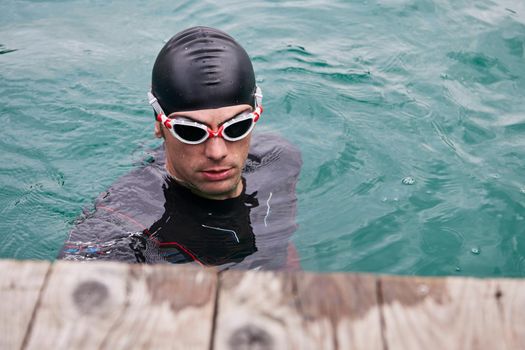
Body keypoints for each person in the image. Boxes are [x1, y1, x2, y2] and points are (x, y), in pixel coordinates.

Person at [59, 26, 302, 270]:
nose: (217, 152)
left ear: (255, 117)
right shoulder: (120, 224)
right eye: (191, 131)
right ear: (159, 125)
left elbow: (281, 250)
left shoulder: (279, 162)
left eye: (236, 127)